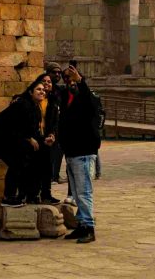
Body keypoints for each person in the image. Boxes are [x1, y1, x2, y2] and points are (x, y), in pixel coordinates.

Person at [0, 75, 49, 204]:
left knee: (27, 160)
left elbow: (32, 130)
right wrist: (28, 139)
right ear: (30, 92)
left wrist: (43, 140)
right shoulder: (23, 104)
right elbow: (14, 126)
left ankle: (25, 194)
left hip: (13, 138)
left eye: (43, 90)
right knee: (17, 162)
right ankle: (8, 197)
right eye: (38, 89)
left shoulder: (34, 108)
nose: (42, 92)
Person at [59, 63, 101, 244]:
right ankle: (81, 225)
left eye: (72, 78)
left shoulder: (87, 97)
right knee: (77, 193)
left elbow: (90, 106)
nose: (70, 81)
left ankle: (89, 228)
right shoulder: (68, 99)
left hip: (83, 151)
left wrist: (81, 82)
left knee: (84, 192)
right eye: (66, 78)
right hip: (72, 152)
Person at [39, 73, 61, 204]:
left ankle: (46, 194)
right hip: (36, 138)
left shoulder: (53, 101)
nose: (47, 84)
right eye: (44, 81)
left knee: (48, 167)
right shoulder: (34, 98)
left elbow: (54, 121)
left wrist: (53, 134)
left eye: (49, 82)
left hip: (48, 138)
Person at [44, 61, 67, 182]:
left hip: (57, 127)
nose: (57, 75)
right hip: (44, 127)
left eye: (59, 73)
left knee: (58, 152)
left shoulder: (59, 90)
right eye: (54, 72)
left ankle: (54, 175)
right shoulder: (42, 89)